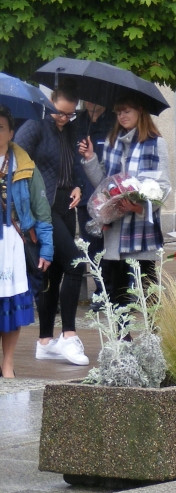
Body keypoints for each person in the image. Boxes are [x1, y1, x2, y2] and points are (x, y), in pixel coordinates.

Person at [14, 86, 89, 366]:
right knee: (76, 264)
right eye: (60, 112)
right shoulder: (35, 126)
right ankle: (69, 336)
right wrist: (25, 216)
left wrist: (79, 186)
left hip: (66, 207)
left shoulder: (71, 129)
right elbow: (16, 166)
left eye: (70, 114)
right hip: (43, 209)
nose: (64, 118)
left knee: (54, 272)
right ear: (50, 104)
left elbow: (74, 166)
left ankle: (45, 342)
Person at [80, 96, 171, 308]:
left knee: (147, 289)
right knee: (116, 292)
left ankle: (152, 337)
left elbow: (164, 186)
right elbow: (102, 183)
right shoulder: (112, 143)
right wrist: (91, 157)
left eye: (127, 111)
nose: (122, 116)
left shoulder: (156, 143)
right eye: (119, 112)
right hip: (116, 228)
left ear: (140, 111)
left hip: (141, 227)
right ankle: (123, 339)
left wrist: (140, 205)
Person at [0, 106, 53, 378]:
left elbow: (41, 210)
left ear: (11, 132)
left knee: (11, 305)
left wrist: (47, 246)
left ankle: (7, 365)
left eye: (0, 128)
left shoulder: (24, 165)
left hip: (12, 241)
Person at [74, 101, 116, 254]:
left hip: (110, 200)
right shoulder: (77, 124)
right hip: (85, 200)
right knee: (92, 252)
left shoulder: (115, 123)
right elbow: (73, 163)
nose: (89, 100)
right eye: (86, 97)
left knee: (111, 254)